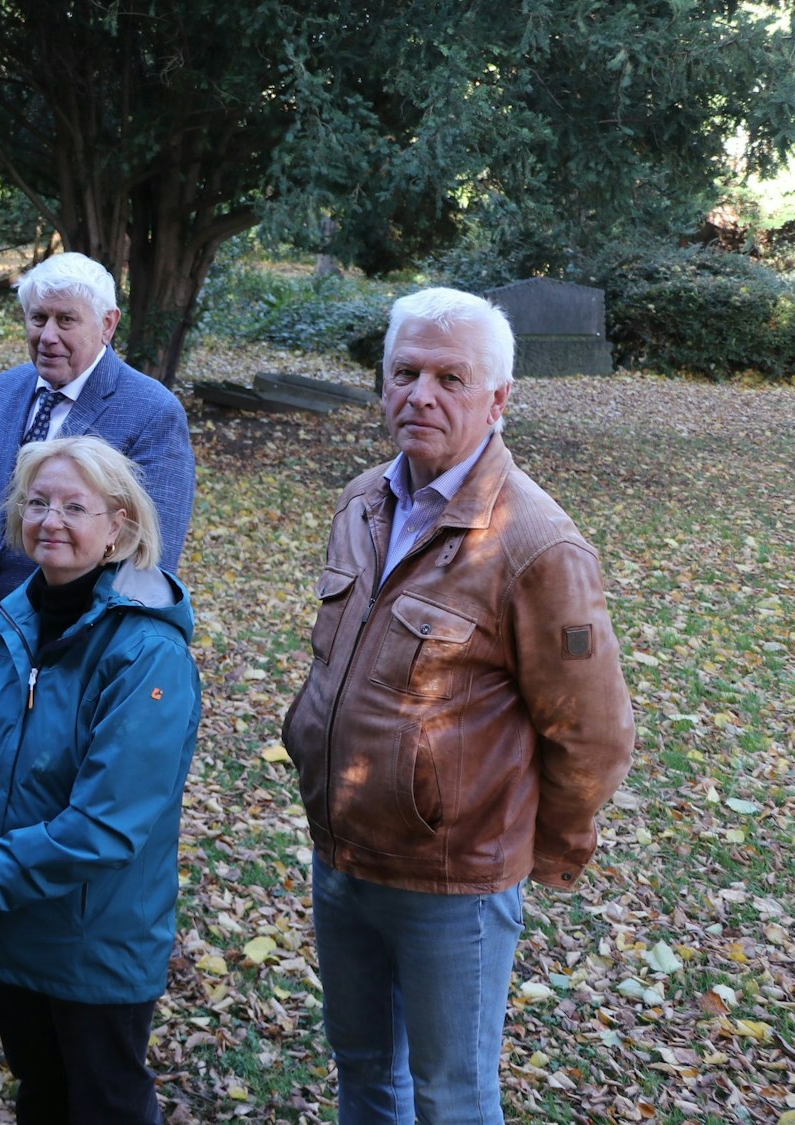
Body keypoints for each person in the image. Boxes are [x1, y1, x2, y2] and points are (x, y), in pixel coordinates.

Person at [281, 288, 634, 1123]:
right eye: (405, 372)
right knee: (364, 1072)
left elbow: (594, 733)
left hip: (453, 882)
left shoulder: (537, 544)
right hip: (342, 854)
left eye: (450, 377)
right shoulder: (363, 500)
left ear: (499, 399)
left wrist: (516, 848)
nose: (421, 395)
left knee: (453, 1094)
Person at [0, 436, 200, 1123]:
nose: (52, 520)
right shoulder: (20, 618)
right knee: (41, 1092)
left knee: (104, 1102)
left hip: (92, 937)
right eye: (38, 502)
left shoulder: (146, 653)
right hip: (23, 924)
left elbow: (106, 822)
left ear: (119, 526)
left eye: (76, 506)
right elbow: (33, 734)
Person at [0, 251, 195, 696]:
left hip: (76, 672)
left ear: (108, 325)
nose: (47, 336)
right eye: (38, 319)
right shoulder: (2, 391)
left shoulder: (153, 412)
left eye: (66, 320)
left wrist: (41, 641)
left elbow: (149, 562)